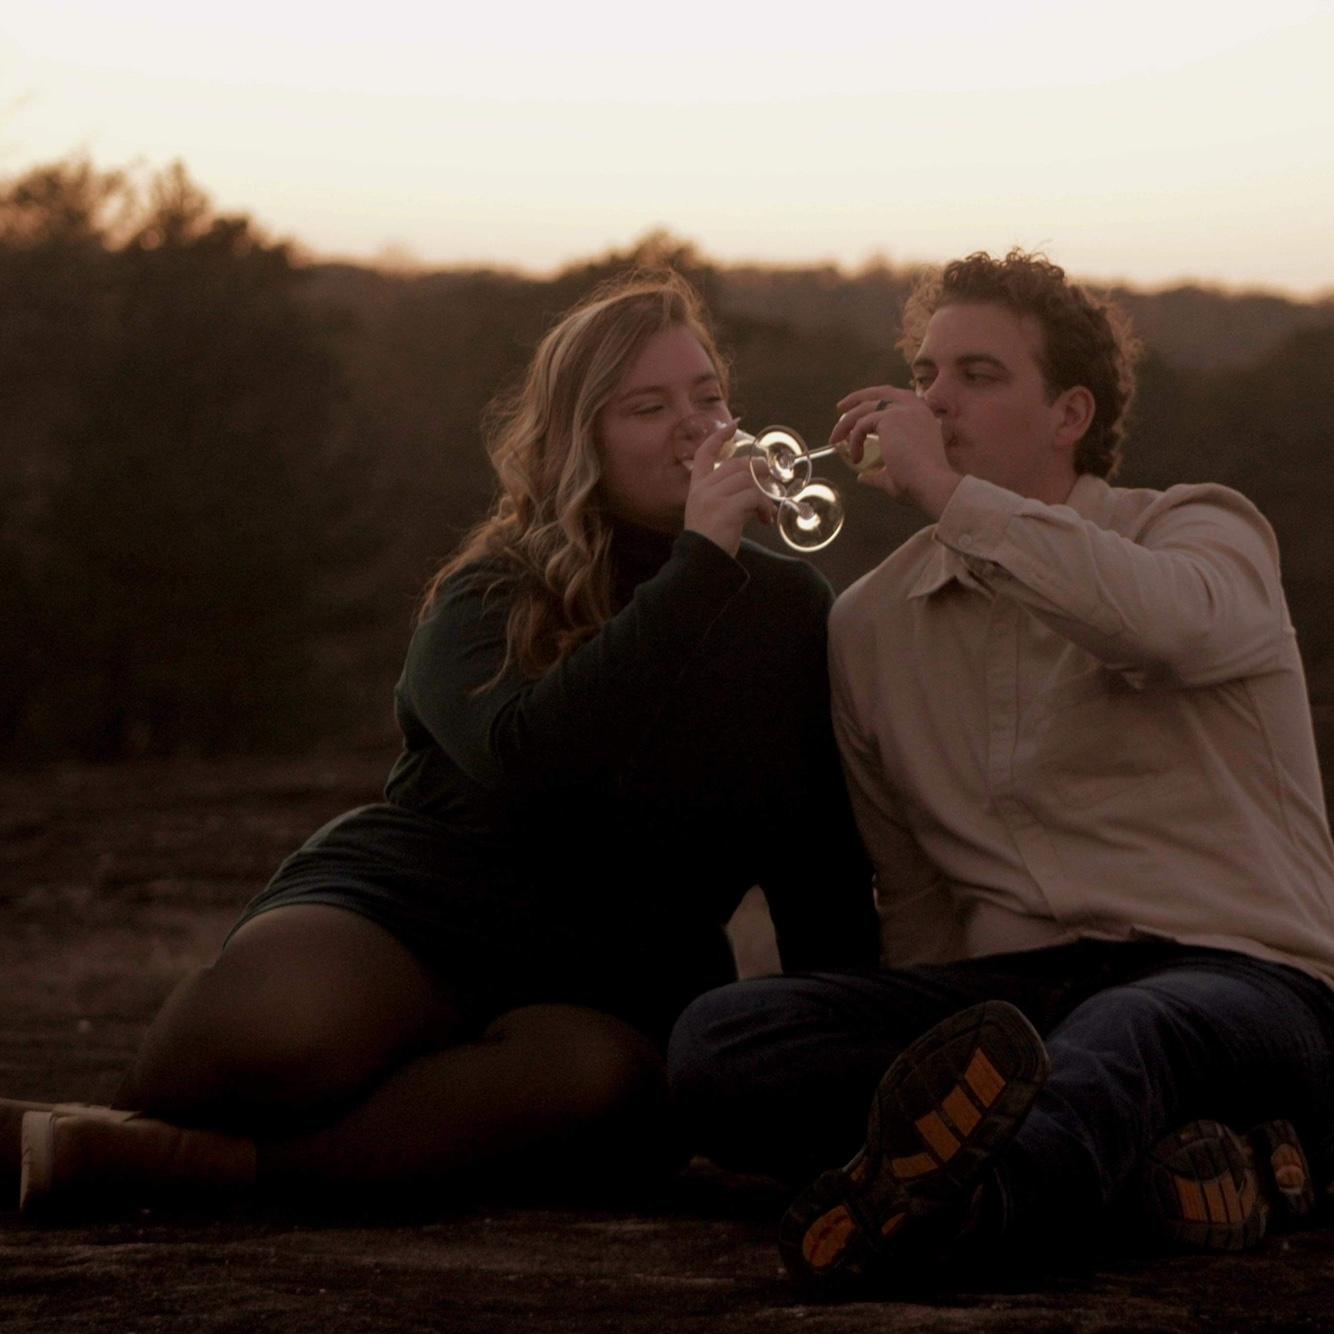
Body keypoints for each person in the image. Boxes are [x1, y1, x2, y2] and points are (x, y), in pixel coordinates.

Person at [8, 270, 877, 1217]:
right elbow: (527, 756)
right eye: (648, 407)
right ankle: (153, 1137)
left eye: (708, 397)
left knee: (607, 1094)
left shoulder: (786, 610)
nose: (696, 427)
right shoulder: (494, 586)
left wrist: (847, 1083)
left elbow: (815, 857)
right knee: (268, 1040)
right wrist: (698, 568)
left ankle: (167, 1162)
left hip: (615, 973)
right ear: (579, 439)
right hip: (421, 910)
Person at [668, 250, 1334, 1292]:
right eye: (924, 374)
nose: (933, 401)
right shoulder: (871, 625)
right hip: (1021, 1006)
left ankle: (964, 1221)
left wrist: (945, 492)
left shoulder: (1198, 530)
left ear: (1069, 413)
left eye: (977, 375)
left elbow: (1155, 630)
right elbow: (917, 896)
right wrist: (927, 1042)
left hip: (1239, 980)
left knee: (1128, 1031)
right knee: (725, 1039)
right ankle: (1178, 1165)